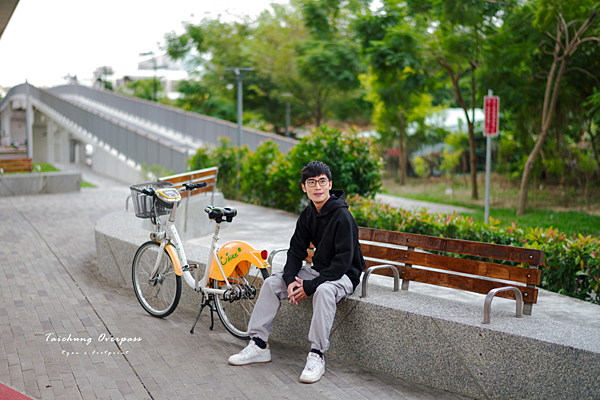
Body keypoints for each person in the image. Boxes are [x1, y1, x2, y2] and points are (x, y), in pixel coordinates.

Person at [228, 161, 366, 383]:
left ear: (330, 184)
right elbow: (295, 252)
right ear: (304, 187)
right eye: (312, 182)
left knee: (323, 292)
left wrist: (309, 286)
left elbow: (343, 262)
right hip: (321, 272)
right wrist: (291, 280)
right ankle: (259, 345)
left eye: (322, 181)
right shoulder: (308, 215)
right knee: (273, 283)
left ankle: (317, 355)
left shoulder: (343, 217)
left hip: (343, 275)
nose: (318, 187)